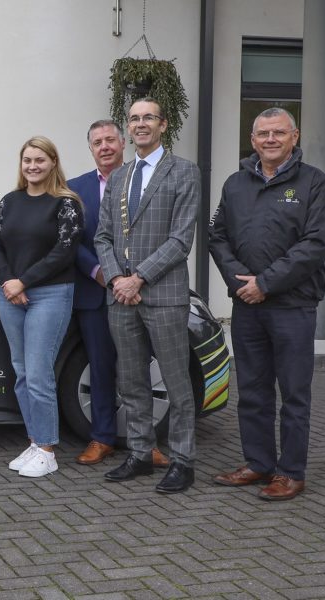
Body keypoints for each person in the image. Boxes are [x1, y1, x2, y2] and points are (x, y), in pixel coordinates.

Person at [208, 107, 325, 501]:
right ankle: (258, 463)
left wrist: (266, 282)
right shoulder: (235, 184)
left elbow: (317, 244)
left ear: (294, 137)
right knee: (254, 390)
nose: (271, 139)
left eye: (279, 132)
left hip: (293, 307)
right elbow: (217, 237)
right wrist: (241, 283)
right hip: (248, 307)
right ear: (253, 140)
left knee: (294, 394)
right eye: (263, 133)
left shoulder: (315, 183)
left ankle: (291, 471)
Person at [94, 98, 201, 494]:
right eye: (135, 118)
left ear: (162, 124)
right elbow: (102, 235)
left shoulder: (184, 172)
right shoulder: (119, 176)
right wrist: (118, 279)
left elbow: (181, 239)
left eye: (148, 118)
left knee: (176, 382)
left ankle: (183, 460)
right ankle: (140, 453)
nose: (141, 124)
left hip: (163, 295)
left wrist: (138, 278)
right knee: (132, 379)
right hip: (120, 296)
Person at [67, 120, 170, 469]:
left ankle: (145, 443)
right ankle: (103, 438)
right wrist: (100, 273)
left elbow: (159, 234)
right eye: (97, 142)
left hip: (142, 290)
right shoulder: (74, 189)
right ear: (91, 148)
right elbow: (71, 241)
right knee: (99, 366)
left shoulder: (146, 180)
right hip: (96, 292)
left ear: (122, 142)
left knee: (137, 366)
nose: (105, 146)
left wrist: (137, 278)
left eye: (110, 139)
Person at [0, 136, 84, 478]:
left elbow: (64, 252)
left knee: (39, 373)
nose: (32, 166)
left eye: (39, 160)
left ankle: (47, 449)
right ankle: (33, 441)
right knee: (22, 372)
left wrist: (23, 282)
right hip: (11, 294)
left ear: (53, 163)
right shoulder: (9, 201)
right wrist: (7, 282)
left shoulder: (66, 203)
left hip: (50, 294)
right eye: (27, 160)